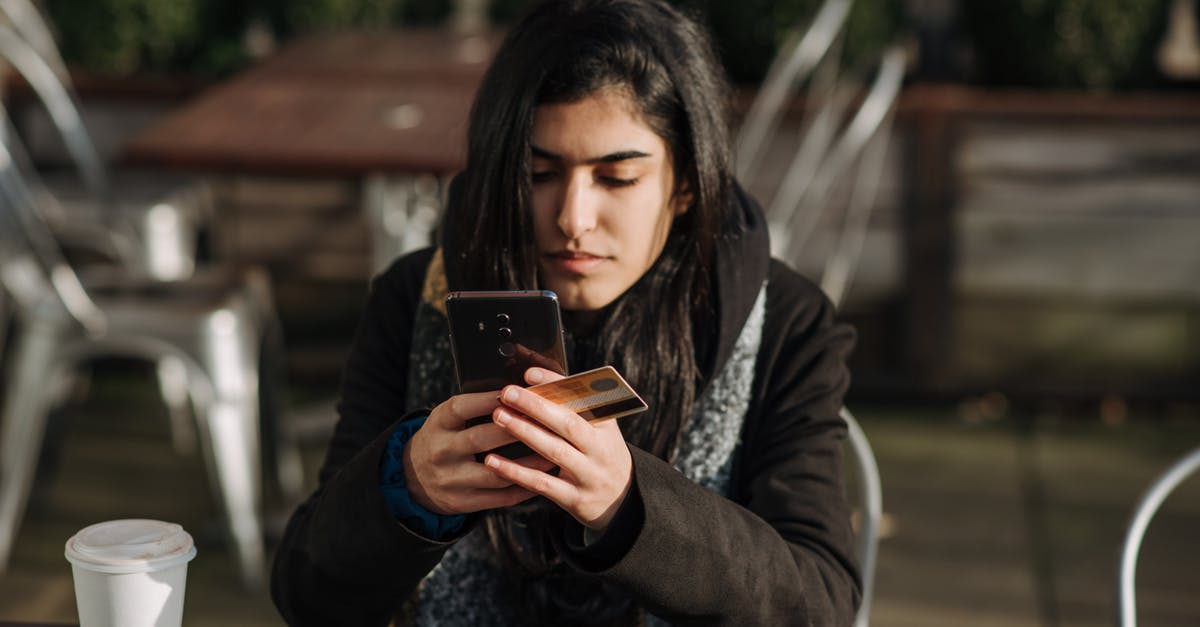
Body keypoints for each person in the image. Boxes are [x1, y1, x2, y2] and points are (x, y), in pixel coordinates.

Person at [270, 0, 860, 624]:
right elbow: (307, 596)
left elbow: (820, 604)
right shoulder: (415, 298)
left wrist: (629, 509)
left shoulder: (785, 322)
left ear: (685, 182)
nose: (573, 219)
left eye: (618, 178)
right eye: (538, 173)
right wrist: (404, 491)